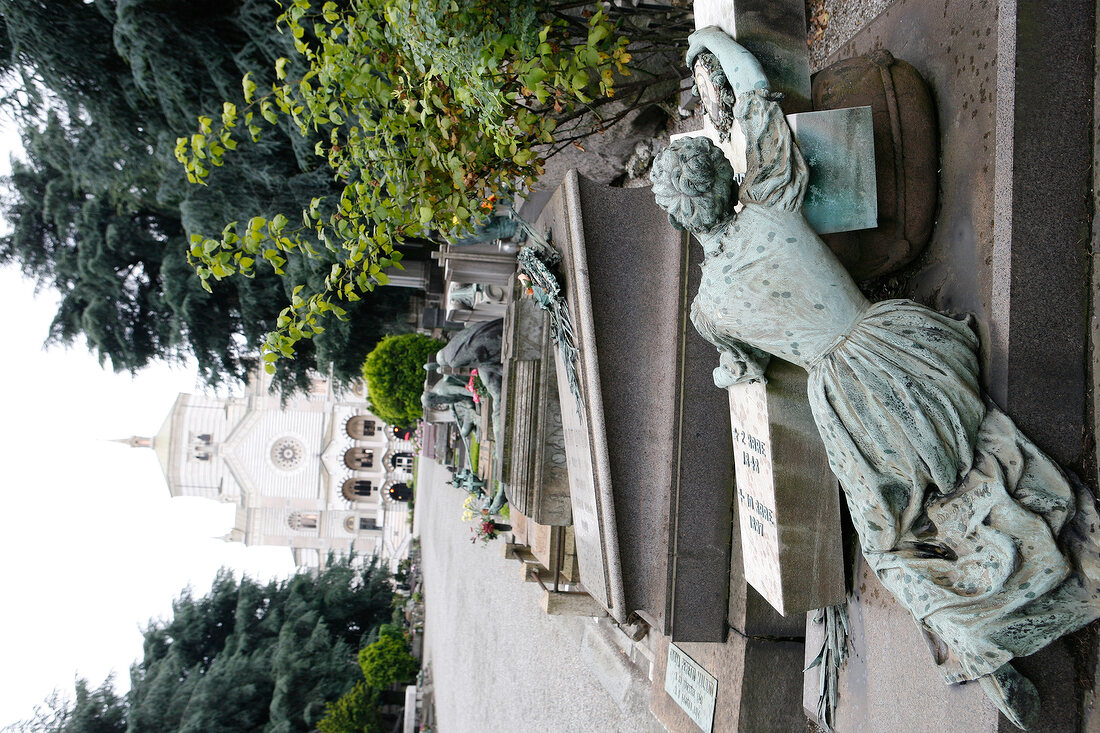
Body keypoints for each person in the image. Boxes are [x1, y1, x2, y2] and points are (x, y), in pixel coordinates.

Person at [650, 28, 1100, 729]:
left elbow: (740, 368)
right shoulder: (770, 198)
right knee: (964, 466)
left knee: (889, 538)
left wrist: (730, 363)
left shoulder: (708, 309)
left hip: (848, 405)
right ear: (725, 179)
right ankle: (1007, 592)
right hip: (904, 348)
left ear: (681, 217)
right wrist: (708, 40)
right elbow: (757, 89)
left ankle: (979, 639)